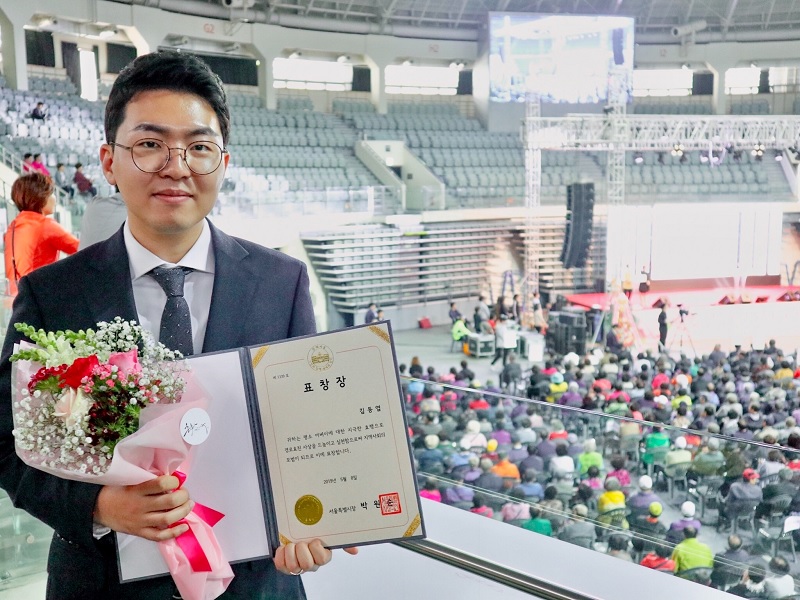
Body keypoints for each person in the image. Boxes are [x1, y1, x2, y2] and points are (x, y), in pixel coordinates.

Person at [0, 51, 355, 599]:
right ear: (109, 161)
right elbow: (8, 442)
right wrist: (99, 505)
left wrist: (316, 519)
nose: (177, 166)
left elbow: (307, 430)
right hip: (101, 584)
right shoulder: (54, 293)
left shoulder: (280, 281)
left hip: (254, 585)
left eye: (199, 147)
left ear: (223, 163)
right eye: (150, 144)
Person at [3, 172, 79, 295]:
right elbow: (83, 248)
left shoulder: (13, 226)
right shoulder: (45, 225)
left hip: (12, 297)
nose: (54, 198)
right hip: (37, 298)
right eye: (51, 193)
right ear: (41, 196)